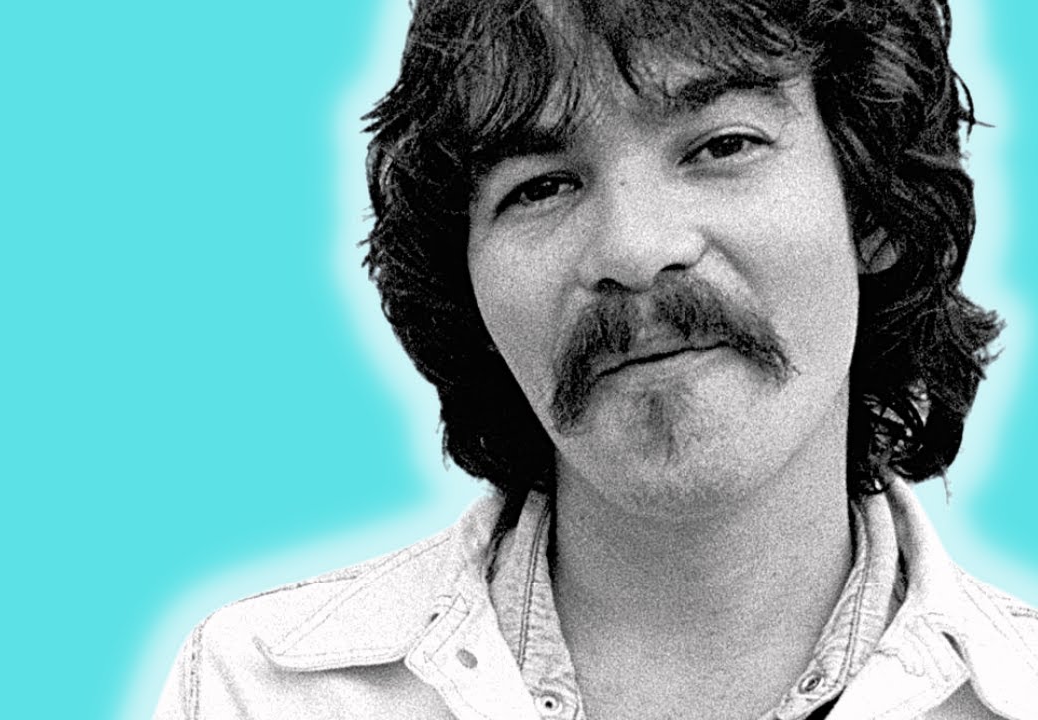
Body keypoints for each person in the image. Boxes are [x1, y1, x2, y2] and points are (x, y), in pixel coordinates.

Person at [155, 0, 1038, 717]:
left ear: (873, 208)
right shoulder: (257, 694)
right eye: (540, 187)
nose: (634, 249)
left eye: (721, 145)